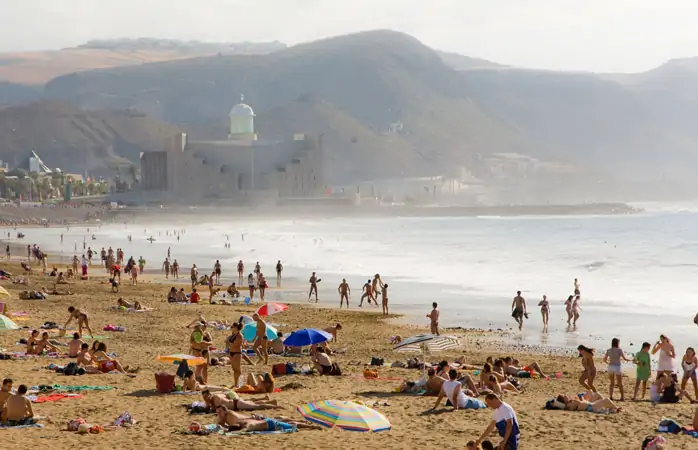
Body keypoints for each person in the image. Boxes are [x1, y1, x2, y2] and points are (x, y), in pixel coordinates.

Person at [215, 405, 319, 431]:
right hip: (263, 421)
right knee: (281, 420)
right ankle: (304, 423)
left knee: (282, 420)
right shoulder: (225, 418)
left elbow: (229, 427)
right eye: (217, 412)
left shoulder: (230, 414)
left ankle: (304, 423)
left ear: (225, 411)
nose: (218, 414)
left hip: (257, 418)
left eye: (220, 412)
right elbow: (222, 424)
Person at [201, 390, 281, 412]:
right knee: (253, 403)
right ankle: (271, 402)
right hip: (236, 404)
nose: (205, 399)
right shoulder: (212, 400)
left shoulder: (215, 398)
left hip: (236, 404)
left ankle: (276, 406)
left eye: (206, 397)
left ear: (209, 395)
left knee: (256, 407)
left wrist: (209, 406)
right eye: (204, 398)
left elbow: (218, 409)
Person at [554, 392, 621, 413]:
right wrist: (575, 400)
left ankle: (611, 409)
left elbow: (580, 402)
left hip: (589, 405)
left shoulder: (570, 402)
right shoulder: (568, 405)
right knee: (606, 400)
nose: (567, 397)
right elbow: (577, 405)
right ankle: (617, 409)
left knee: (599, 395)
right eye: (565, 397)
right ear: (563, 400)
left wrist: (578, 399)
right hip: (590, 407)